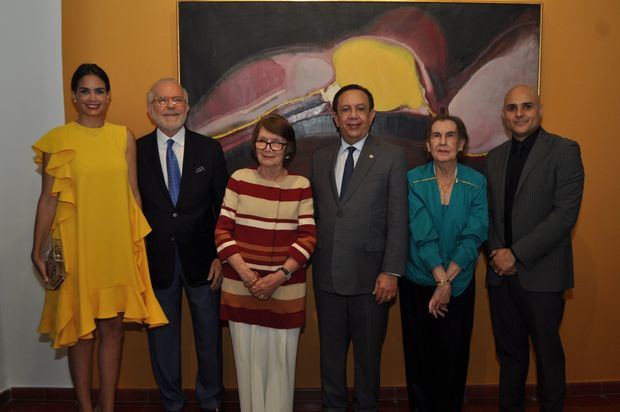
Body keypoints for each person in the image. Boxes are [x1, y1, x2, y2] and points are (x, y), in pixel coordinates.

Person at [31, 63, 167, 412]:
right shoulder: (57, 141)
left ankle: (107, 406)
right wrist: (38, 248)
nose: (93, 98)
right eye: (86, 91)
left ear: (108, 97)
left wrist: (138, 245)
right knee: (80, 331)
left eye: (100, 91)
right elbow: (48, 199)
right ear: (74, 97)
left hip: (116, 244)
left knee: (113, 329)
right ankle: (85, 406)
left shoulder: (123, 136)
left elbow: (133, 193)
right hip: (77, 245)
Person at [486, 85, 584, 411]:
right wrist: (499, 254)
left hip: (542, 275)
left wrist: (517, 253)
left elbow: (564, 214)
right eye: (512, 108)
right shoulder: (495, 157)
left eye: (527, 106)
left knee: (547, 356)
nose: (519, 114)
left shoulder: (564, 150)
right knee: (510, 356)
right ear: (504, 115)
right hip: (501, 277)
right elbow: (488, 214)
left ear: (539, 110)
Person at [311, 84, 408, 411]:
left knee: (368, 360)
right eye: (345, 110)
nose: (353, 116)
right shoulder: (320, 157)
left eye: (360, 108)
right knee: (331, 358)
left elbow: (398, 219)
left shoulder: (392, 156)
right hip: (327, 277)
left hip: (372, 280)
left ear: (372, 115)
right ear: (335, 118)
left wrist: (391, 271)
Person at [136, 78, 228, 412]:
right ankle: (171, 402)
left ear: (187, 107)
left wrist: (221, 255)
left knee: (209, 339)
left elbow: (223, 208)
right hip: (155, 261)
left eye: (177, 100)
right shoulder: (136, 150)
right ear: (150, 109)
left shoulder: (209, 149)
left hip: (204, 261)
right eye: (162, 100)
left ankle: (211, 401)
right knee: (163, 340)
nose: (171, 106)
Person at [215, 114, 316, 412]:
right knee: (248, 365)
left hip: (285, 290)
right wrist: (247, 274)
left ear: (288, 148)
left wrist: (278, 276)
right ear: (254, 144)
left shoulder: (301, 184)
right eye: (262, 140)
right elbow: (222, 230)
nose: (268, 147)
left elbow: (309, 238)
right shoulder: (238, 180)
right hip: (241, 287)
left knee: (281, 366)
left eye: (276, 142)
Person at [401, 115, 488, 411]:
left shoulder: (477, 182)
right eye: (436, 136)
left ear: (461, 143)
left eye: (450, 136)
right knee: (419, 359)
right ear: (428, 145)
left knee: (453, 358)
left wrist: (447, 282)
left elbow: (474, 235)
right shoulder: (413, 179)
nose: (443, 142)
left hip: (459, 285)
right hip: (418, 282)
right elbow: (421, 231)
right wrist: (440, 280)